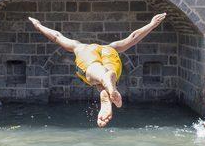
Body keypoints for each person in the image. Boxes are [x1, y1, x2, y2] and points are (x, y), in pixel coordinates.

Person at [28, 13, 166, 128]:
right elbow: (133, 37)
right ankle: (107, 86)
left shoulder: (78, 46)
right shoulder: (114, 46)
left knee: (94, 69)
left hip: (86, 55)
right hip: (111, 54)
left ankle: (104, 84)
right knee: (108, 71)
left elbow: (56, 36)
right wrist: (152, 24)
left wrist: (39, 25)